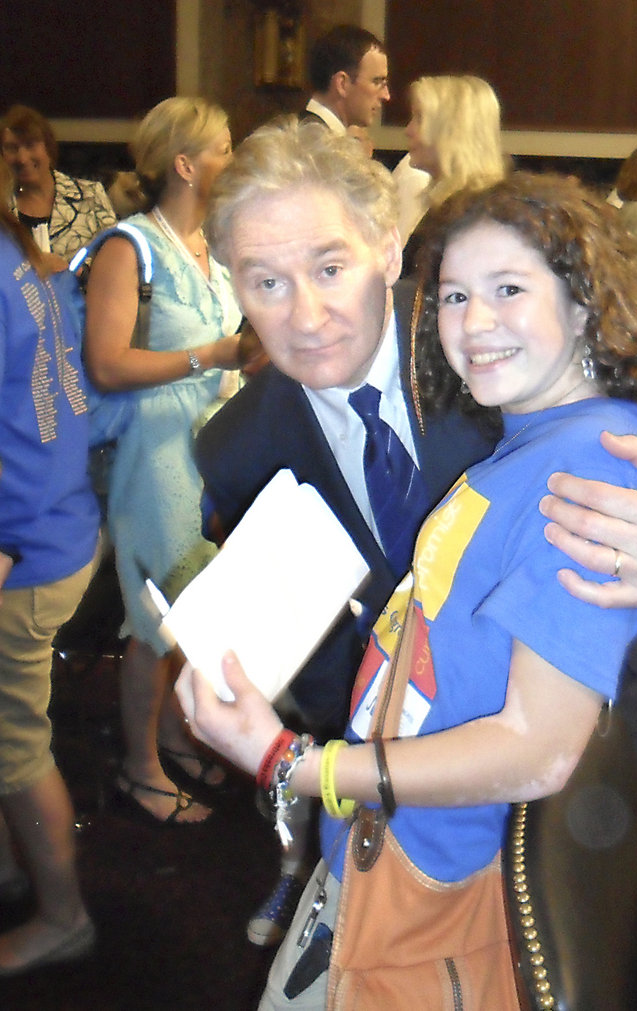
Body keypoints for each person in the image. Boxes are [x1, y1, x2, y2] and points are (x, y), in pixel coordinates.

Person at [194, 118, 637, 947]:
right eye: (265, 281)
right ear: (232, 283)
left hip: (612, 741)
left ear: (389, 250)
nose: (308, 313)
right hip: (426, 800)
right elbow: (336, 670)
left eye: (330, 267)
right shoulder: (236, 447)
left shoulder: (498, 334)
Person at [82, 97, 244, 824]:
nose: (235, 162)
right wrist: (206, 355)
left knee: (196, 604)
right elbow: (106, 365)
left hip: (209, 443)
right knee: (156, 617)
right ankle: (138, 766)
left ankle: (174, 733)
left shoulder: (213, 247)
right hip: (152, 451)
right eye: (225, 148)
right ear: (186, 164)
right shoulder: (130, 247)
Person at [0, 158, 100, 973]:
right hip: (56, 520)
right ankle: (12, 866)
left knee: (14, 744)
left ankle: (64, 916)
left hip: (22, 546)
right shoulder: (16, 256)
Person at [400, 75, 507, 275]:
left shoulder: (468, 218)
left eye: (419, 118)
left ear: (451, 130)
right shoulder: (452, 207)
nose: (408, 130)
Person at [0, 104, 116, 270]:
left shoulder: (91, 195)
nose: (22, 158)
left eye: (30, 145)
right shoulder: (2, 207)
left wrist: (70, 272)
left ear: (48, 146)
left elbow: (115, 263)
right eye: (12, 148)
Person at [301, 24, 389, 139]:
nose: (386, 95)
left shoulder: (304, 134)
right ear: (342, 84)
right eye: (376, 82)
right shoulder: (317, 147)